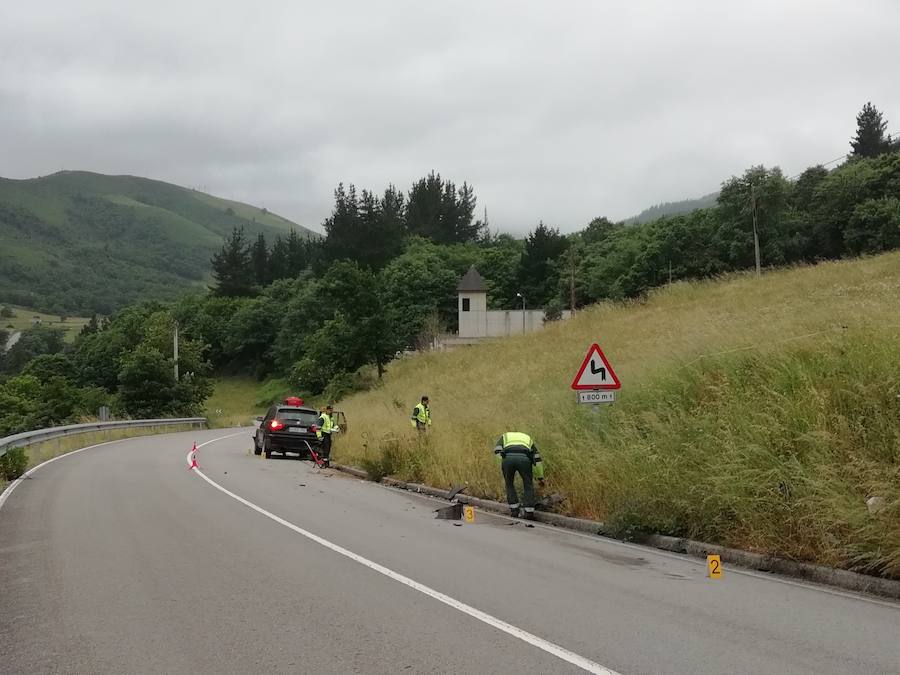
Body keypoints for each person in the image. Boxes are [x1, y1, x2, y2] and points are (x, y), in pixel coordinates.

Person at [493, 431, 544, 519]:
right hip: (524, 459)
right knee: (528, 484)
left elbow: (497, 450)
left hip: (508, 459)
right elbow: (537, 459)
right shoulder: (528, 438)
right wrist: (540, 477)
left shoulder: (505, 436)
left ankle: (514, 510)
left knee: (509, 484)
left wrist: (502, 462)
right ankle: (529, 512)